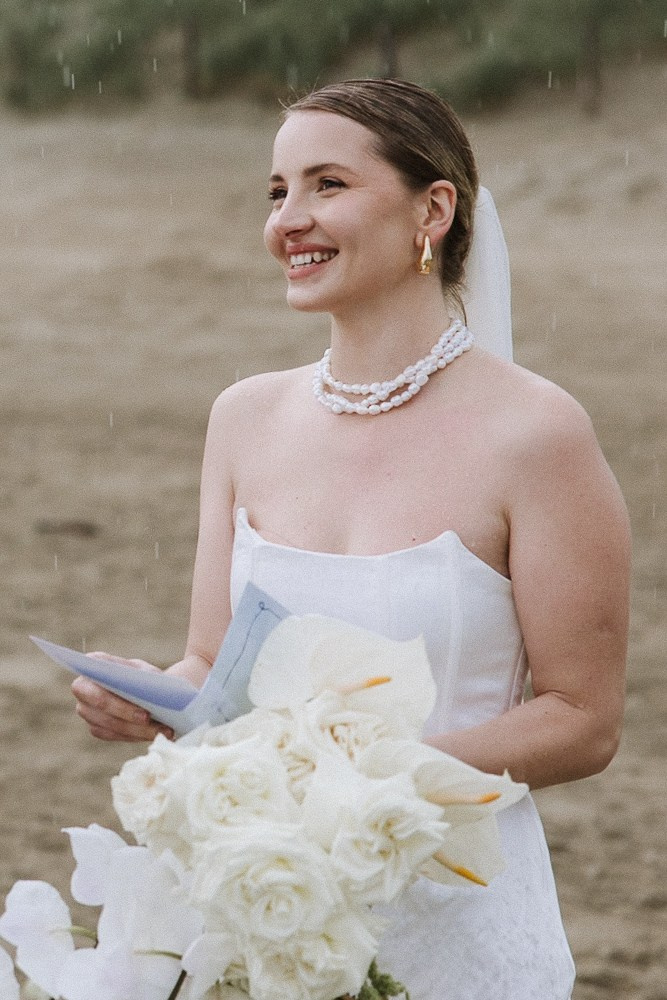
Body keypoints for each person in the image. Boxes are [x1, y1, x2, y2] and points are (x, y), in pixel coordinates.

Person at [72, 79, 630, 998]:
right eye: (277, 190)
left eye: (327, 184)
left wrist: (366, 785)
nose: (289, 218)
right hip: (256, 908)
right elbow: (211, 666)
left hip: (457, 923)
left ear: (433, 211)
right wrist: (145, 698)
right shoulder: (243, 417)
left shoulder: (535, 434)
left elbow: (582, 719)